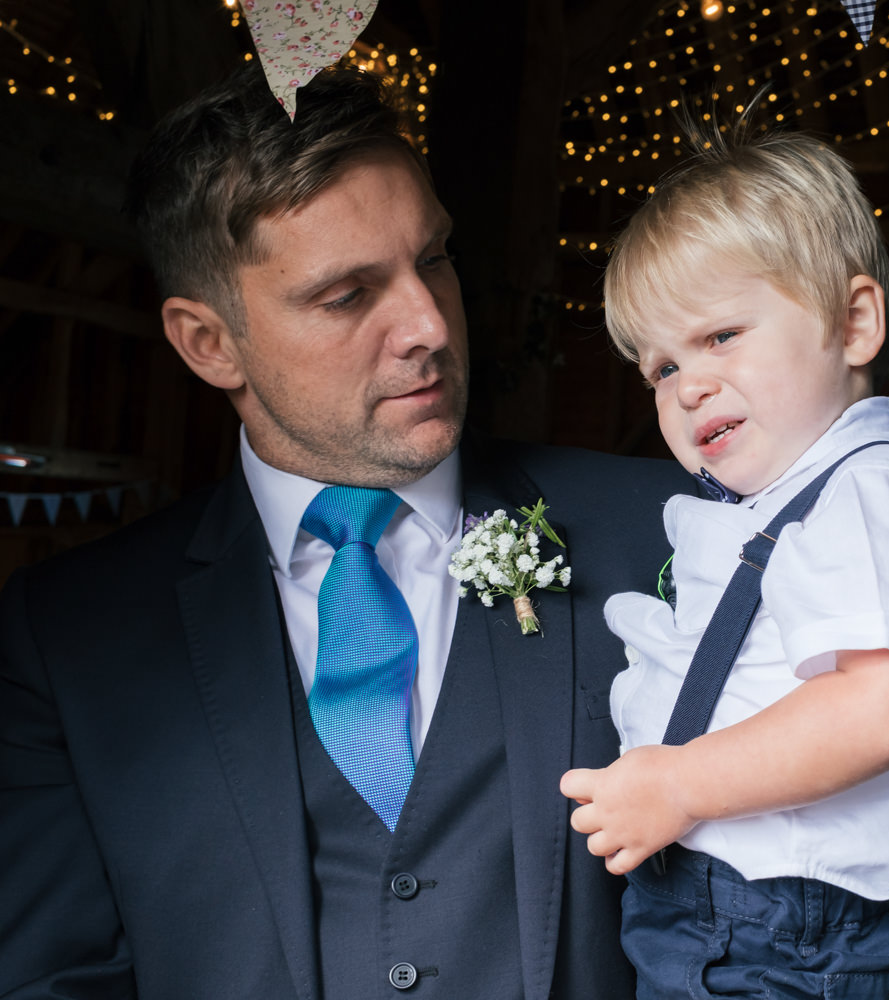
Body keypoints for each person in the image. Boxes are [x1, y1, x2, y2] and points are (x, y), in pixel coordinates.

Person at [0, 64, 688, 999]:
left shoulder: (667, 535)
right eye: (345, 295)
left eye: (434, 258)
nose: (427, 325)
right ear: (209, 342)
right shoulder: (64, 638)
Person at [558, 119, 889, 998]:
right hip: (725, 914)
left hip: (797, 934)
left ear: (854, 322)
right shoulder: (789, 499)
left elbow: (884, 705)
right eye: (661, 367)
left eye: (721, 337)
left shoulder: (869, 492)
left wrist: (681, 783)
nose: (689, 386)